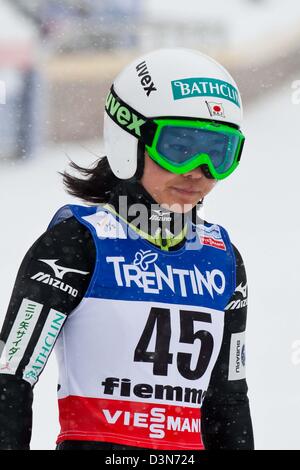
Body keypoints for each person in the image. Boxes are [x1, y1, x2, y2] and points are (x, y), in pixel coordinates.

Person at [0, 48, 254, 450]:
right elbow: (10, 378)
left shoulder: (221, 258)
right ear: (129, 138)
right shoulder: (75, 245)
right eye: (180, 147)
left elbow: (227, 401)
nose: (197, 172)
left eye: (218, 154)